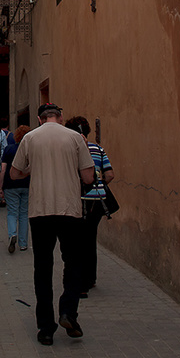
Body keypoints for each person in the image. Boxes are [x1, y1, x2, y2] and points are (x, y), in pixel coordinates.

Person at [11, 103, 94, 345]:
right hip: (69, 209)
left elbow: (15, 174)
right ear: (60, 117)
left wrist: (31, 169)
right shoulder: (75, 138)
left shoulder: (30, 138)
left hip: (40, 210)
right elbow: (88, 176)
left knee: (43, 268)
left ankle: (46, 328)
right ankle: (69, 311)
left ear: (39, 119)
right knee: (73, 263)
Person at [64, 116, 114, 292]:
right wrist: (99, 185)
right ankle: (90, 277)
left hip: (79, 199)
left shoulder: (71, 149)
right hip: (98, 201)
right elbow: (110, 174)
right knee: (90, 239)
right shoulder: (98, 149)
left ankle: (80, 281)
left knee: (77, 241)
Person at [1, 125, 31, 253]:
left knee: (12, 212)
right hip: (27, 185)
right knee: (24, 214)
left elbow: (3, 169)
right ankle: (23, 243)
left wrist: (0, 187)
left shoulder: (9, 149)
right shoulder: (31, 150)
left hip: (11, 185)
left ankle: (12, 234)